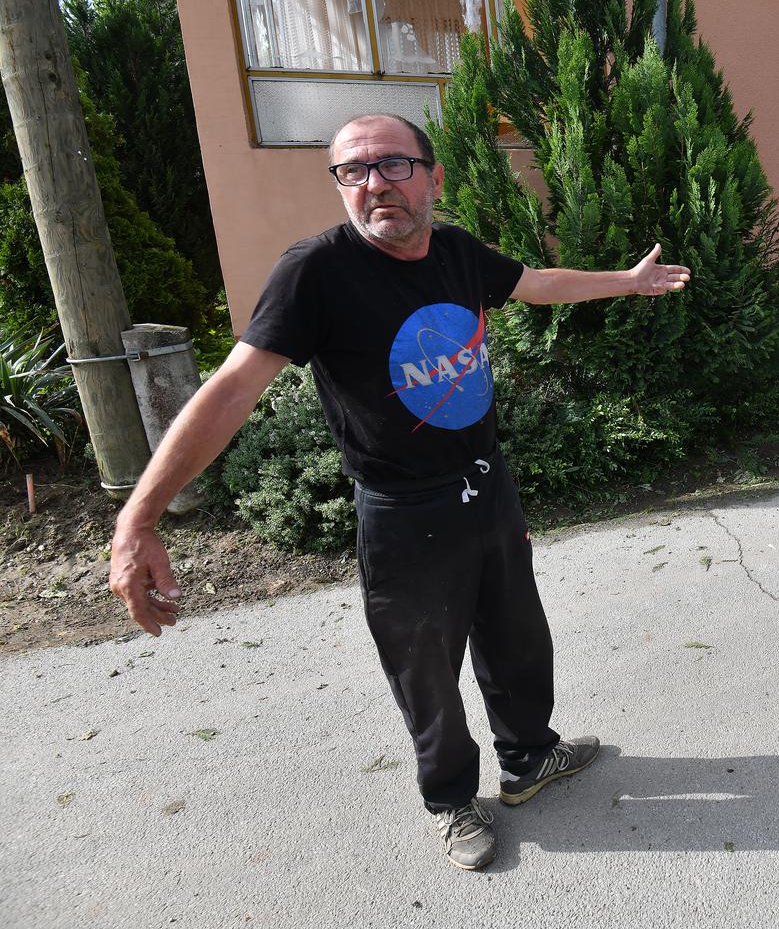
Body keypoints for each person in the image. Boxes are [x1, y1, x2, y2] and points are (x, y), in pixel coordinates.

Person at [108, 113, 691, 871]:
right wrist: (138, 519)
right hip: (404, 513)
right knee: (425, 669)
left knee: (518, 638)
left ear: (433, 175)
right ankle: (451, 799)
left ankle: (528, 759)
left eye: (393, 164)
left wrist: (628, 281)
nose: (374, 183)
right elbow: (230, 390)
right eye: (352, 170)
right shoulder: (315, 273)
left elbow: (534, 284)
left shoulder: (453, 252)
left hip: (488, 485)